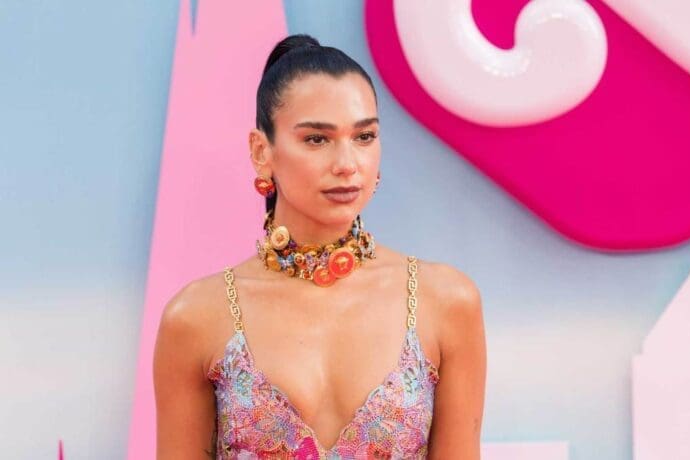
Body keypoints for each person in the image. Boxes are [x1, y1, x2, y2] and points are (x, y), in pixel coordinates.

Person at [153, 33, 486, 459]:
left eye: (364, 137)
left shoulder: (445, 302)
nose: (347, 164)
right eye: (317, 139)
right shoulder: (196, 317)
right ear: (262, 151)